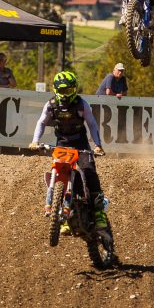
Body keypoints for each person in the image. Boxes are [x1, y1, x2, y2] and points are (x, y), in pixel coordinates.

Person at [29, 71, 111, 232]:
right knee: (60, 173)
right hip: (62, 143)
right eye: (62, 91)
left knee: (88, 170)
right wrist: (35, 141)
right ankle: (63, 215)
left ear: (74, 89)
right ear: (56, 89)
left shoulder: (81, 104)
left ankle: (99, 212)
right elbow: (41, 122)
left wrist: (98, 145)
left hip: (80, 143)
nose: (65, 95)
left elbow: (92, 124)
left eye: (68, 90)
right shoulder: (51, 105)